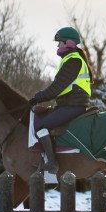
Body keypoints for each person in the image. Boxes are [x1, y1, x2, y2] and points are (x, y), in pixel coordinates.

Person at [27, 26, 93, 173]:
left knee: (41, 127)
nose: (58, 45)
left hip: (73, 106)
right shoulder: (71, 59)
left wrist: (37, 98)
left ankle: (52, 163)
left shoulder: (73, 61)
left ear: (69, 43)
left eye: (60, 42)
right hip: (69, 104)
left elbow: (57, 87)